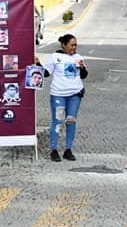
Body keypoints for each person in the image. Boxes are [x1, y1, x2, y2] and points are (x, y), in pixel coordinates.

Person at [36, 34, 88, 162]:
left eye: (76, 45)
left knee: (71, 121)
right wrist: (37, 64)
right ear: (64, 45)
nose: (74, 48)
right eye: (72, 45)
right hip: (58, 94)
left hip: (75, 94)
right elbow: (46, 73)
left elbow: (84, 76)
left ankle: (68, 150)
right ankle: (53, 150)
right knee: (57, 121)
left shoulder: (78, 57)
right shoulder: (55, 57)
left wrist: (82, 67)